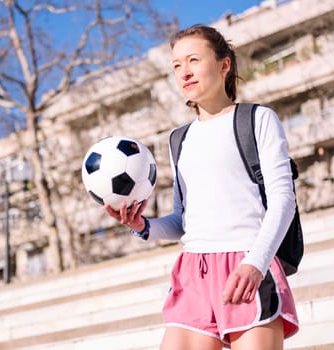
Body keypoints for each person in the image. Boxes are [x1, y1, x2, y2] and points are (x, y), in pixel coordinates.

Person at [105, 24, 299, 350]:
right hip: (193, 270)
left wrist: (256, 263)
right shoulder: (179, 139)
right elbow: (183, 220)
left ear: (224, 65)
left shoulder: (257, 119)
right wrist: (143, 226)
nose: (185, 72)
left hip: (246, 261)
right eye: (177, 65)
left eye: (193, 60)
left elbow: (283, 200)